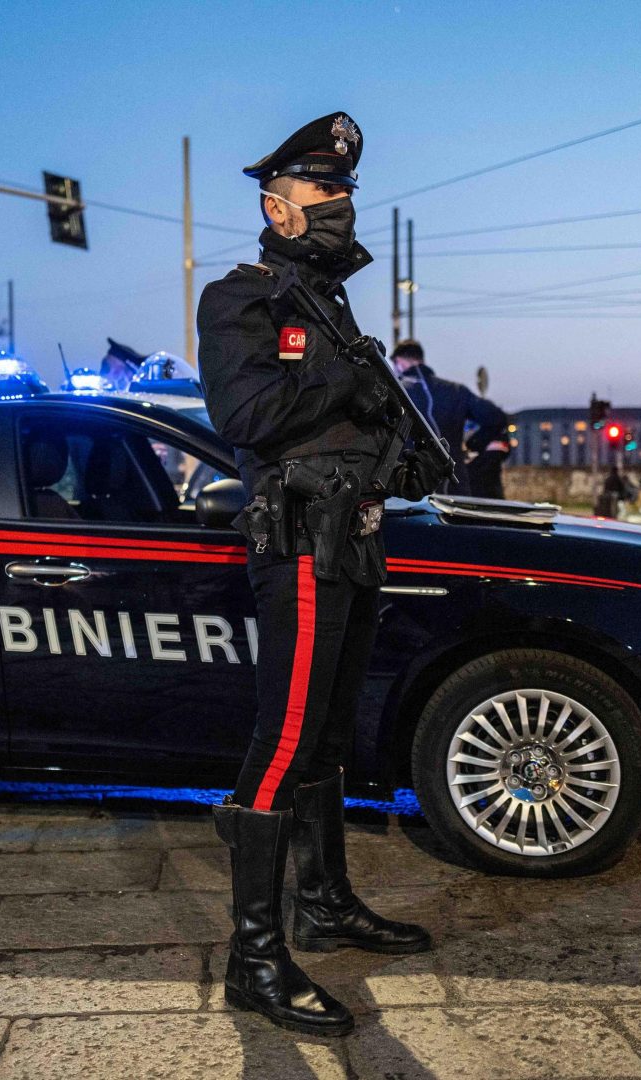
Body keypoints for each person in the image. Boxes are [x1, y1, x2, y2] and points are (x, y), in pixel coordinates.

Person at [196, 112, 434, 1040]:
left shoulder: (327, 303)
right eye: (321, 190)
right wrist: (350, 386)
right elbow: (245, 413)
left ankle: (324, 901)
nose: (338, 204)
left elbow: (339, 423)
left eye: (344, 192)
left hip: (353, 534)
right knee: (285, 738)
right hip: (296, 538)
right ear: (276, 205)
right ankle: (253, 959)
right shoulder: (241, 297)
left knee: (330, 736)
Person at [389, 341, 504, 496]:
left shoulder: (395, 392)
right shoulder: (456, 391)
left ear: (399, 362)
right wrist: (474, 444)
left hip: (410, 490)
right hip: (455, 490)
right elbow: (496, 417)